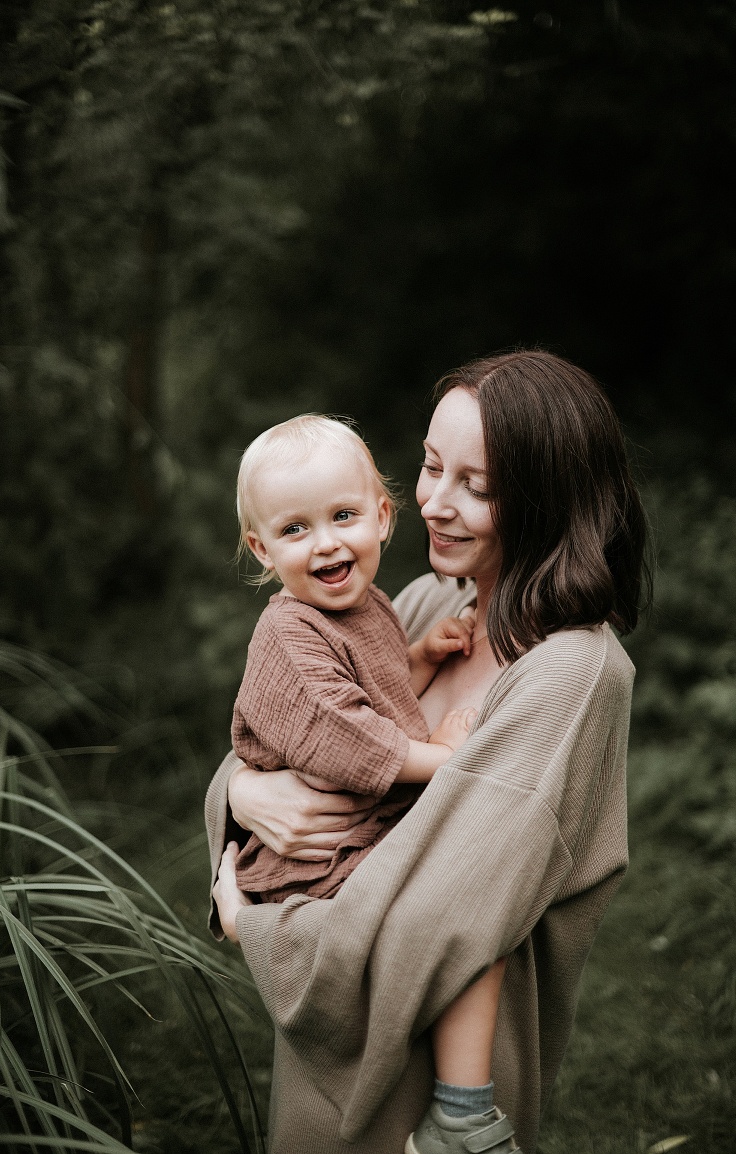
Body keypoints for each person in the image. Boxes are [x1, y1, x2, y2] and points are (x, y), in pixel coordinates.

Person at [205, 349, 648, 1154]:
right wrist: (242, 792)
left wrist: (257, 931)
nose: (435, 505)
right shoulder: (419, 605)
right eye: (431, 467)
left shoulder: (572, 674)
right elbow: (288, 727)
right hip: (324, 1052)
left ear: (549, 501)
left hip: (418, 1060)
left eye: (476, 486)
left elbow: (437, 915)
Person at [224, 413, 513, 1152]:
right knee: (453, 915)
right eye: (295, 530)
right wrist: (443, 758)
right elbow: (342, 734)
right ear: (262, 549)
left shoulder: (366, 605)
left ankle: (460, 1108)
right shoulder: (289, 631)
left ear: (383, 519)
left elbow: (374, 693)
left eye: (343, 516)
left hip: (355, 831)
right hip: (317, 860)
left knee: (469, 918)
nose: (325, 542)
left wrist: (419, 654)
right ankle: (460, 1111)